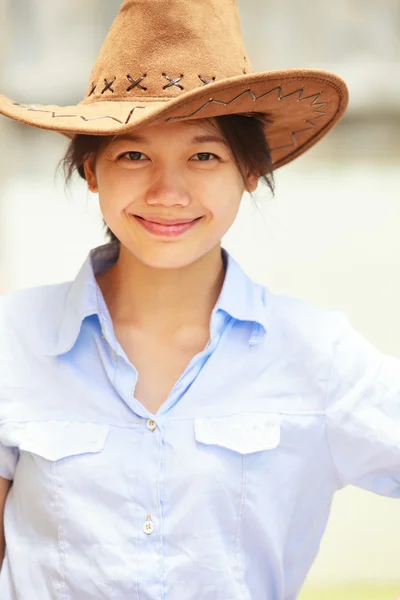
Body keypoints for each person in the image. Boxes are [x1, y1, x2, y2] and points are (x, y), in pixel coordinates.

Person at [0, 1, 398, 599]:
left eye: (204, 155)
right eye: (133, 154)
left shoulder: (318, 355)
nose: (167, 191)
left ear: (250, 170)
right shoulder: (12, 341)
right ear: (90, 169)